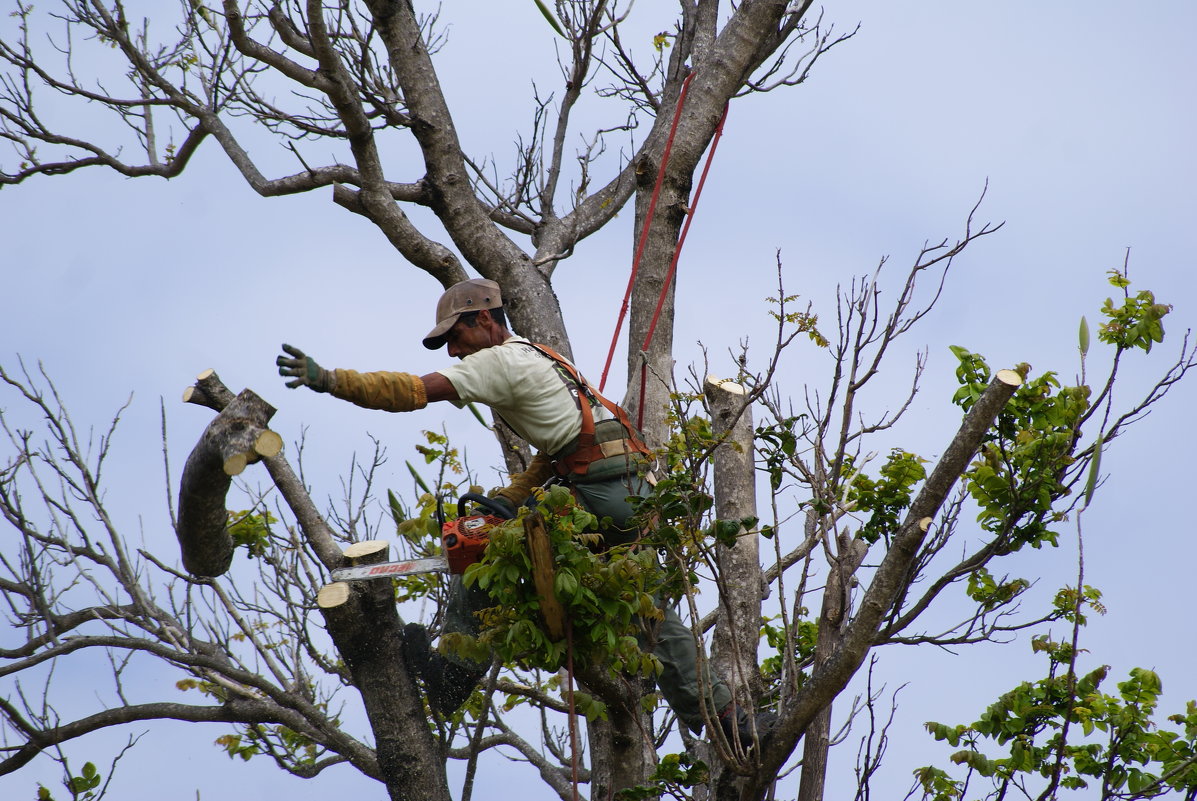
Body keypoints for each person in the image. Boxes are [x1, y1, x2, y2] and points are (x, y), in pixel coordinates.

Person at [276, 278, 768, 744]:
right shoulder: (541, 356)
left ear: (486, 320)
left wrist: (330, 380)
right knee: (651, 616)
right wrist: (509, 501)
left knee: (480, 546)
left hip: (599, 497)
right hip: (636, 499)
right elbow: (559, 451)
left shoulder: (500, 361)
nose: (453, 351)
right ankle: (730, 720)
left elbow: (412, 391)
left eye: (457, 335)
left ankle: (453, 673)